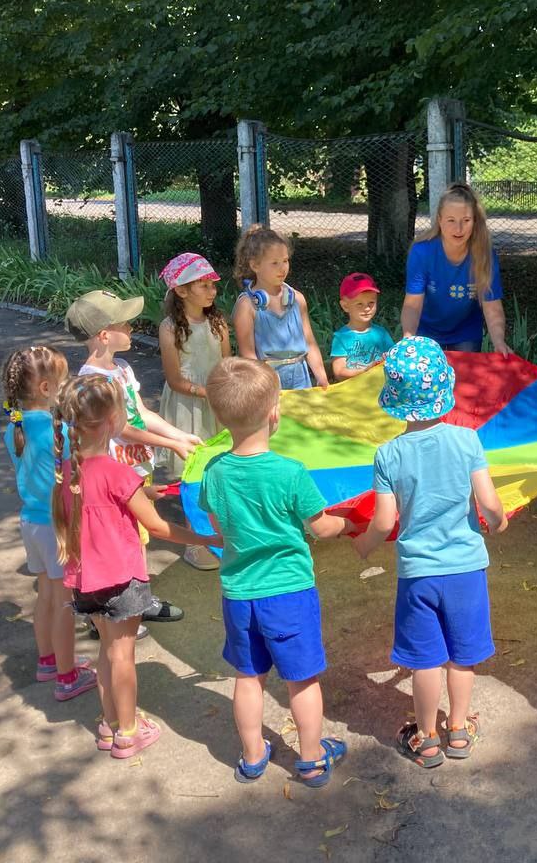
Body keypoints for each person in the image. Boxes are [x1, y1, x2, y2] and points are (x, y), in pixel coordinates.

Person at [353, 337, 508, 769]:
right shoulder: (467, 441)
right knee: (462, 657)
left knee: (425, 661)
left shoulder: (388, 454)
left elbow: (384, 523)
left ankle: (427, 738)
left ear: (395, 401)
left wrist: (363, 545)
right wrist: (497, 522)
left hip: (418, 574)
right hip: (466, 571)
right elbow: (489, 504)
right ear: (445, 391)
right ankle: (458, 729)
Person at [200, 357, 350, 786]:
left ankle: (252, 756)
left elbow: (218, 525)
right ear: (275, 413)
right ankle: (311, 757)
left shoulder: (215, 472)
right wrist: (346, 524)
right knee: (301, 679)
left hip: (238, 594)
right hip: (287, 593)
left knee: (249, 677)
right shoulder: (290, 473)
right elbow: (320, 526)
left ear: (219, 416)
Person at [52, 374, 217, 757]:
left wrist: (141, 493)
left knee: (108, 652)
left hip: (85, 581)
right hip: (120, 580)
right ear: (112, 423)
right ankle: (129, 731)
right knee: (123, 655)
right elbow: (159, 527)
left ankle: (111, 725)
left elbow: (100, 500)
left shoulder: (68, 473)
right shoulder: (118, 472)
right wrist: (207, 539)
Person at [66, 289, 197, 627]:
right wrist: (169, 444)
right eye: (125, 323)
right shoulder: (92, 381)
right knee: (127, 537)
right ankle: (118, 610)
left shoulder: (121, 368)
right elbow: (122, 429)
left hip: (138, 467)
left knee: (138, 536)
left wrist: (176, 435)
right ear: (104, 335)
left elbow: (140, 413)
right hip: (117, 471)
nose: (132, 327)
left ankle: (138, 600)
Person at [1, 345, 97, 702]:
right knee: (63, 602)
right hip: (58, 524)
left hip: (31, 522)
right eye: (63, 379)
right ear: (45, 389)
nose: (68, 383)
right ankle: (68, 675)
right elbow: (77, 473)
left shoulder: (15, 428)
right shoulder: (58, 431)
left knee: (45, 594)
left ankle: (49, 660)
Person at [156, 253, 231, 572]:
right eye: (203, 285)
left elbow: (226, 364)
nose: (212, 290)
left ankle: (222, 533)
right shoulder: (170, 327)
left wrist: (226, 392)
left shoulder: (218, 322)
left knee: (219, 465)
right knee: (194, 470)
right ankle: (195, 543)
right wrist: (207, 393)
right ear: (182, 291)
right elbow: (175, 379)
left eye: (212, 283)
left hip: (216, 401)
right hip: (188, 405)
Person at [400, 183, 512, 355]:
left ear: (474, 221)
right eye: (451, 220)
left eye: (466, 221)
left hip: (466, 333)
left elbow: (492, 306)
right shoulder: (422, 252)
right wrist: (408, 338)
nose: (458, 229)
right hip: (427, 332)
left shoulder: (484, 255)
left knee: (464, 380)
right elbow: (412, 305)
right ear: (439, 220)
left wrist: (498, 341)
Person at [231, 228, 328, 390]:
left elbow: (310, 343)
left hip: (301, 378)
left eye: (285, 260)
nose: (282, 268)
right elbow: (248, 355)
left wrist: (321, 376)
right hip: (266, 379)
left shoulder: (297, 299)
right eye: (274, 263)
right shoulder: (247, 306)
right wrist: (264, 385)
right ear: (255, 265)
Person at [330, 272, 395, 380]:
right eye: (359, 304)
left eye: (371, 303)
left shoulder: (381, 333)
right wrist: (365, 370)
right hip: (354, 392)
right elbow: (339, 372)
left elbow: (394, 360)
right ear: (345, 306)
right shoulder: (341, 337)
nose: (367, 308)